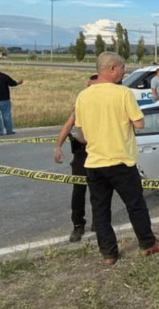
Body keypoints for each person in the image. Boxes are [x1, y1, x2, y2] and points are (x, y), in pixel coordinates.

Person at [75, 52, 159, 265]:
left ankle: (109, 253)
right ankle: (148, 243)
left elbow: (81, 134)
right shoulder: (123, 94)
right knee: (135, 205)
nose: (124, 72)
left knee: (100, 211)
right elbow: (139, 123)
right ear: (111, 69)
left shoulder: (83, 96)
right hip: (121, 161)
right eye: (122, 68)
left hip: (94, 164)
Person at [54, 74, 98, 242]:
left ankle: (98, 221)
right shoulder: (82, 103)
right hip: (82, 151)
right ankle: (78, 225)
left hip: (99, 151)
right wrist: (57, 146)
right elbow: (69, 124)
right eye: (89, 86)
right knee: (79, 190)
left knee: (99, 189)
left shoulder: (106, 103)